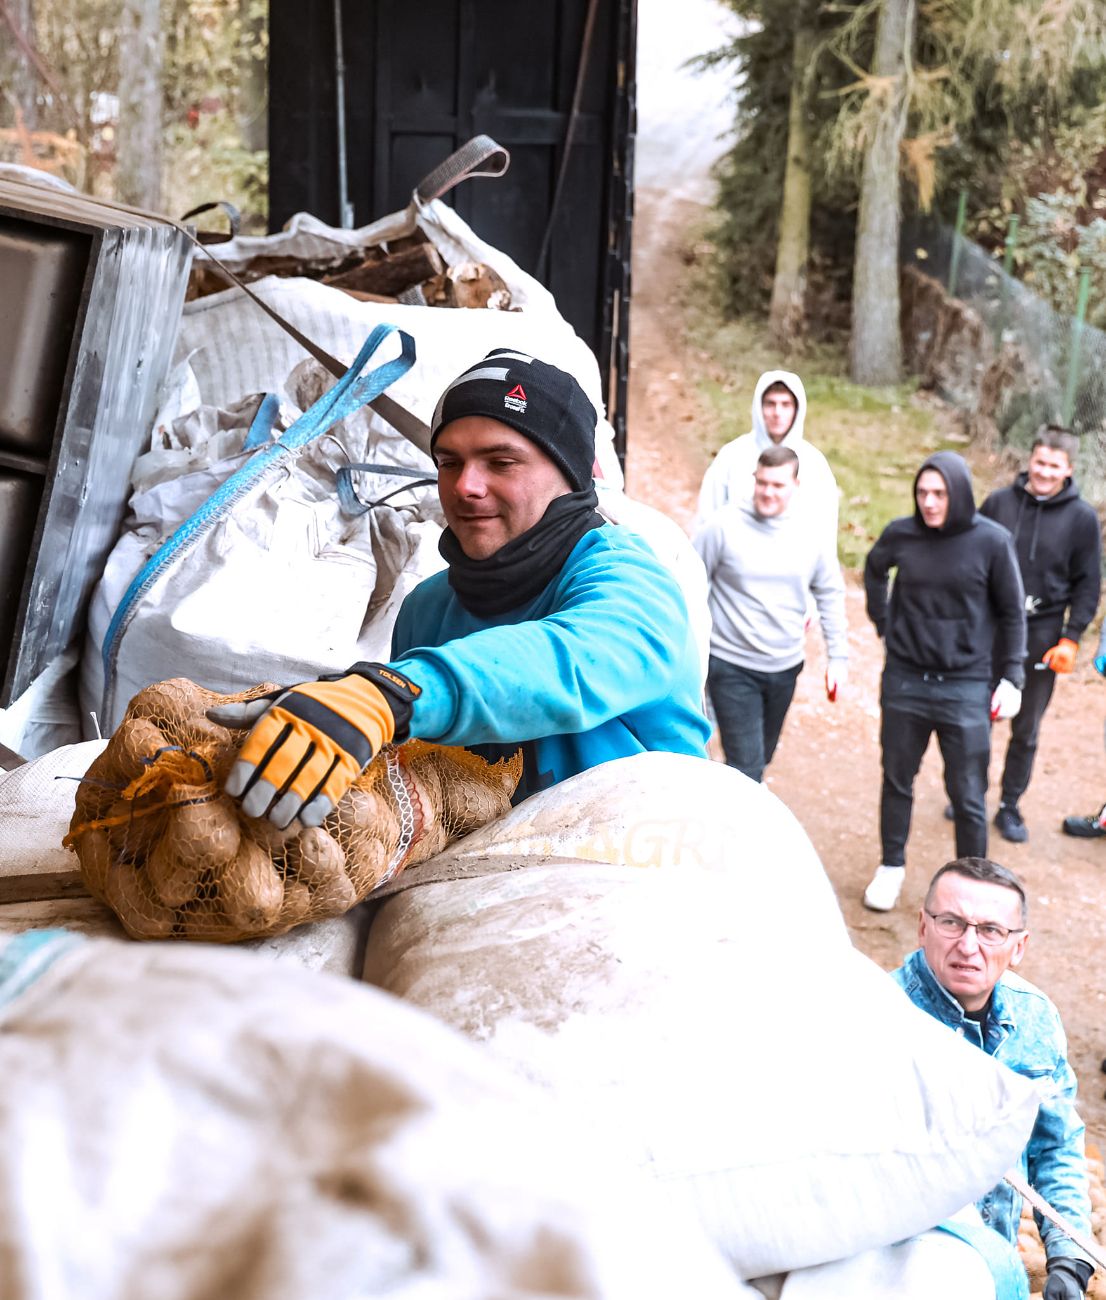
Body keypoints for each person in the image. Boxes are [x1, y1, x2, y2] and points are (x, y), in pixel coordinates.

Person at [211, 348, 712, 826]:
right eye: (449, 462)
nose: (466, 487)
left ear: (569, 475)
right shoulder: (426, 610)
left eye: (501, 462)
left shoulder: (632, 581)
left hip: (645, 864)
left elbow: (576, 660)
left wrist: (393, 694)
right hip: (481, 875)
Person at [892, 858, 1096, 1300]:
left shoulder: (1035, 1017)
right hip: (898, 1274)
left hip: (992, 1264)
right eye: (951, 922)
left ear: (1018, 946)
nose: (968, 946)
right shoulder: (881, 1018)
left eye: (990, 930)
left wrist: (1069, 1258)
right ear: (923, 927)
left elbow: (1056, 1143)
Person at [863, 452, 1027, 912]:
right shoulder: (902, 533)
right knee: (897, 778)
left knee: (968, 792)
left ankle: (974, 884)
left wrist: (1012, 675)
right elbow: (874, 569)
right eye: (922, 493)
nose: (930, 502)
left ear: (959, 493)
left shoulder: (992, 541)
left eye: (939, 493)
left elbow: (1012, 613)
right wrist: (884, 622)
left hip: (966, 685)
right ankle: (891, 866)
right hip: (906, 680)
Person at [692, 444, 848, 782]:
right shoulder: (723, 526)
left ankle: (727, 797)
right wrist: (693, 648)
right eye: (762, 482)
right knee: (747, 765)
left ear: (795, 485)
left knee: (762, 756)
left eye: (777, 485)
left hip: (784, 666)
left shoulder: (812, 535)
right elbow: (690, 581)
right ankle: (736, 811)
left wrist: (838, 658)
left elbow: (830, 594)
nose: (768, 492)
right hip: (730, 663)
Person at [978, 427, 1101, 843]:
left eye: (1054, 465)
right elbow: (972, 556)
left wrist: (1071, 637)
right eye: (1040, 462)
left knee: (1026, 727)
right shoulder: (998, 503)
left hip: (1042, 633)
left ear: (1069, 469)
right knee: (976, 716)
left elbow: (1088, 584)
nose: (1044, 472)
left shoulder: (1082, 519)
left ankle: (1009, 805)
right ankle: (970, 792)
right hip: (992, 628)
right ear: (1029, 460)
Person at [695, 370, 838, 544]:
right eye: (770, 404)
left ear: (797, 409)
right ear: (759, 407)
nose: (777, 413)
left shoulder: (814, 463)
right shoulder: (732, 456)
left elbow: (826, 528)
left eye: (786, 405)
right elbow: (707, 517)